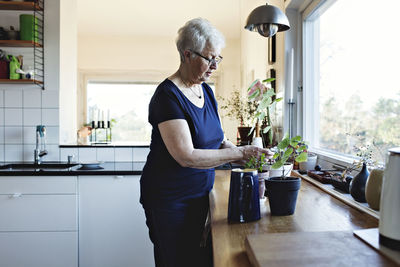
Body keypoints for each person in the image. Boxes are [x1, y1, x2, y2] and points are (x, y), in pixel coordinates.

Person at [140, 18, 271, 267]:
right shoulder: (167, 96)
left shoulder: (206, 91)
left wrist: (245, 154)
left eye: (217, 59)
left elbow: (217, 139)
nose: (214, 66)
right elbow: (186, 156)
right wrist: (240, 153)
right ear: (187, 55)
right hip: (170, 200)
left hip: (200, 194)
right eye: (209, 58)